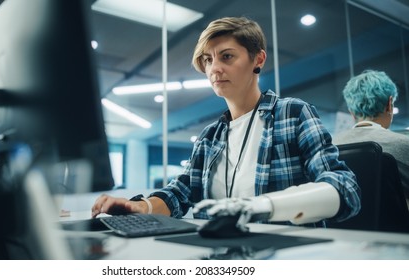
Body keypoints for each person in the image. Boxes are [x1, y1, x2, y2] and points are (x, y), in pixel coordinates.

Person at [91, 17, 360, 230]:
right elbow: (181, 193)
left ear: (258, 59)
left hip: (285, 257)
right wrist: (140, 207)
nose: (214, 68)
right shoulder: (211, 136)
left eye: (226, 56)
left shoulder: (292, 114)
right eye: (208, 59)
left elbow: (344, 188)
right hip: (221, 255)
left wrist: (265, 205)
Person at [333, 69, 409, 203]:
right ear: (389, 105)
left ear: (351, 113)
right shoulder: (405, 145)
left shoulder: (330, 148)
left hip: (341, 224)